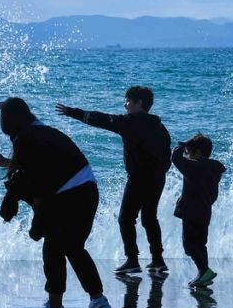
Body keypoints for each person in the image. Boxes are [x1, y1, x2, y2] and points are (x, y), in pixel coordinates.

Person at [0, 97, 113, 308]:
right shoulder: (40, 132)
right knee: (70, 248)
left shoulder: (25, 139)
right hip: (85, 190)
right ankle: (93, 300)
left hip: (71, 195)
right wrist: (6, 163)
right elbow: (37, 169)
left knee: (56, 249)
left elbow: (30, 181)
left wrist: (30, 219)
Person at [56, 86, 171, 275]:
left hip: (139, 177)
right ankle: (158, 260)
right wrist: (160, 172)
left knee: (126, 218)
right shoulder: (159, 126)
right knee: (149, 218)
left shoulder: (131, 122)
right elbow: (167, 153)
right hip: (158, 178)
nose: (125, 105)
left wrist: (71, 112)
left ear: (138, 103)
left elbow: (100, 119)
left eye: (127, 101)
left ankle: (132, 260)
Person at [171, 133, 227, 288]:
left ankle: (204, 270)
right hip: (205, 211)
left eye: (189, 152)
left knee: (189, 246)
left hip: (191, 211)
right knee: (200, 244)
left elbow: (175, 157)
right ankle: (203, 274)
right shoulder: (214, 168)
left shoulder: (194, 167)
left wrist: (183, 144)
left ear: (199, 153)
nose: (187, 155)